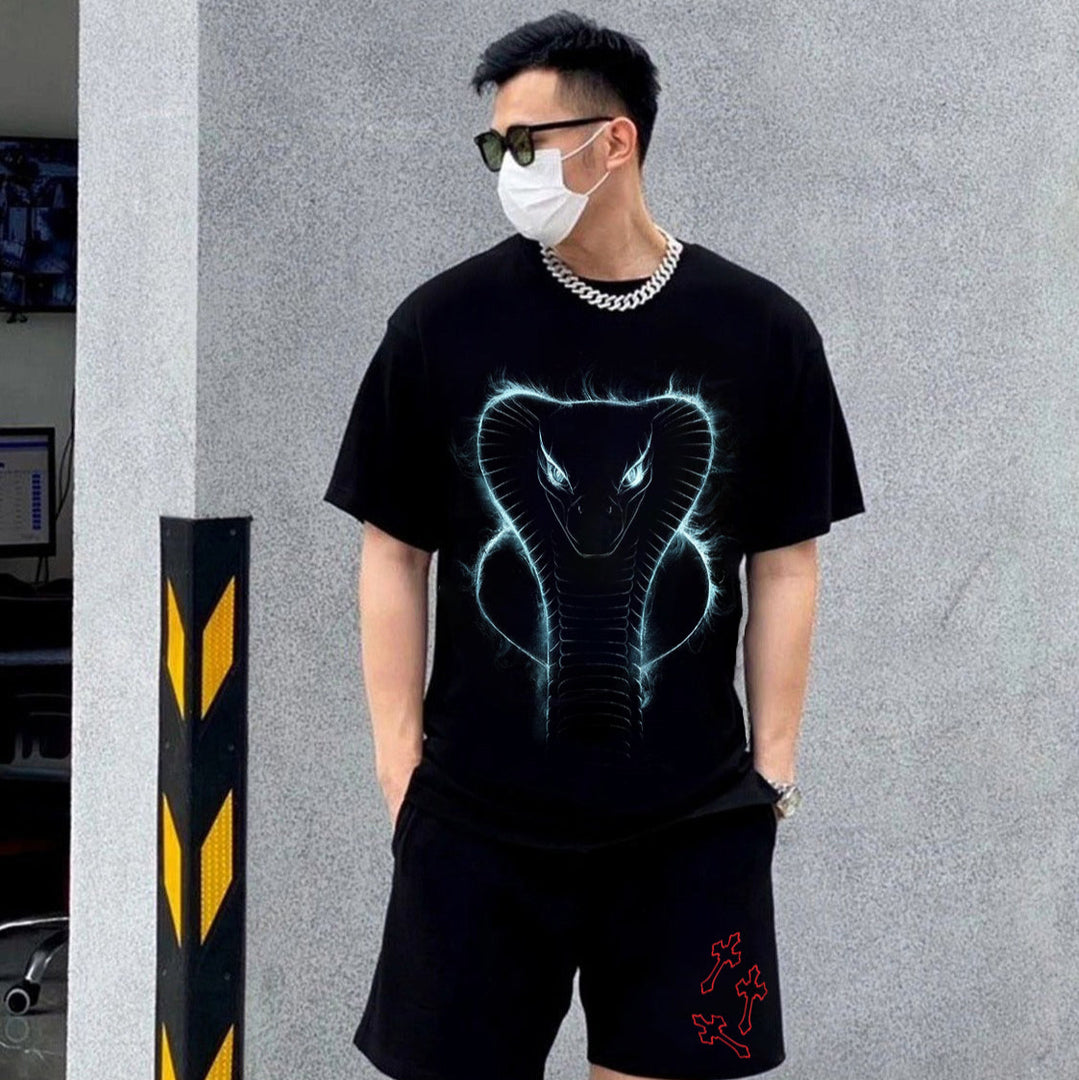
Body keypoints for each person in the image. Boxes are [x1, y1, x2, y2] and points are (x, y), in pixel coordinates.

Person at [323, 11, 865, 1080]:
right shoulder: (440, 325)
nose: (507, 168)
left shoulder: (761, 331)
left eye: (525, 142)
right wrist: (400, 770)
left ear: (614, 140)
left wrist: (770, 775)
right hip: (475, 823)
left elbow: (785, 561)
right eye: (496, 146)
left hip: (690, 827)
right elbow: (392, 551)